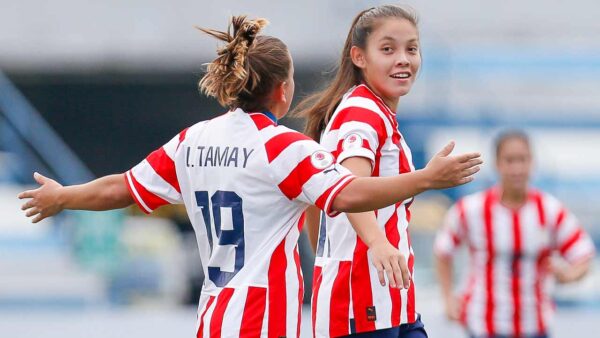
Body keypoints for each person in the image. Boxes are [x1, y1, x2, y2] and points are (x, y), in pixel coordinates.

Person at [18, 15, 481, 338]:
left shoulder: (192, 141)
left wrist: (64, 197)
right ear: (283, 89)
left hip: (214, 318)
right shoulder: (283, 148)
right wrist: (424, 179)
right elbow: (350, 194)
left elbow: (122, 187)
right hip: (266, 320)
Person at [296, 4, 436, 337]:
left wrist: (331, 255)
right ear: (359, 57)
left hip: (390, 296)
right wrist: (376, 243)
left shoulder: (373, 111)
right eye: (388, 49)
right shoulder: (361, 111)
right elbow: (347, 189)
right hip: (360, 300)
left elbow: (320, 201)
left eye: (411, 48)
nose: (403, 58)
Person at [434, 130, 596, 338]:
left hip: (535, 326)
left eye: (523, 160)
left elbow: (583, 254)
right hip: (483, 326)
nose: (517, 168)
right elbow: (443, 249)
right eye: (510, 161)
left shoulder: (550, 210)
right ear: (497, 164)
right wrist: (448, 298)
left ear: (532, 163)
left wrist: (568, 275)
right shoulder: (472, 209)